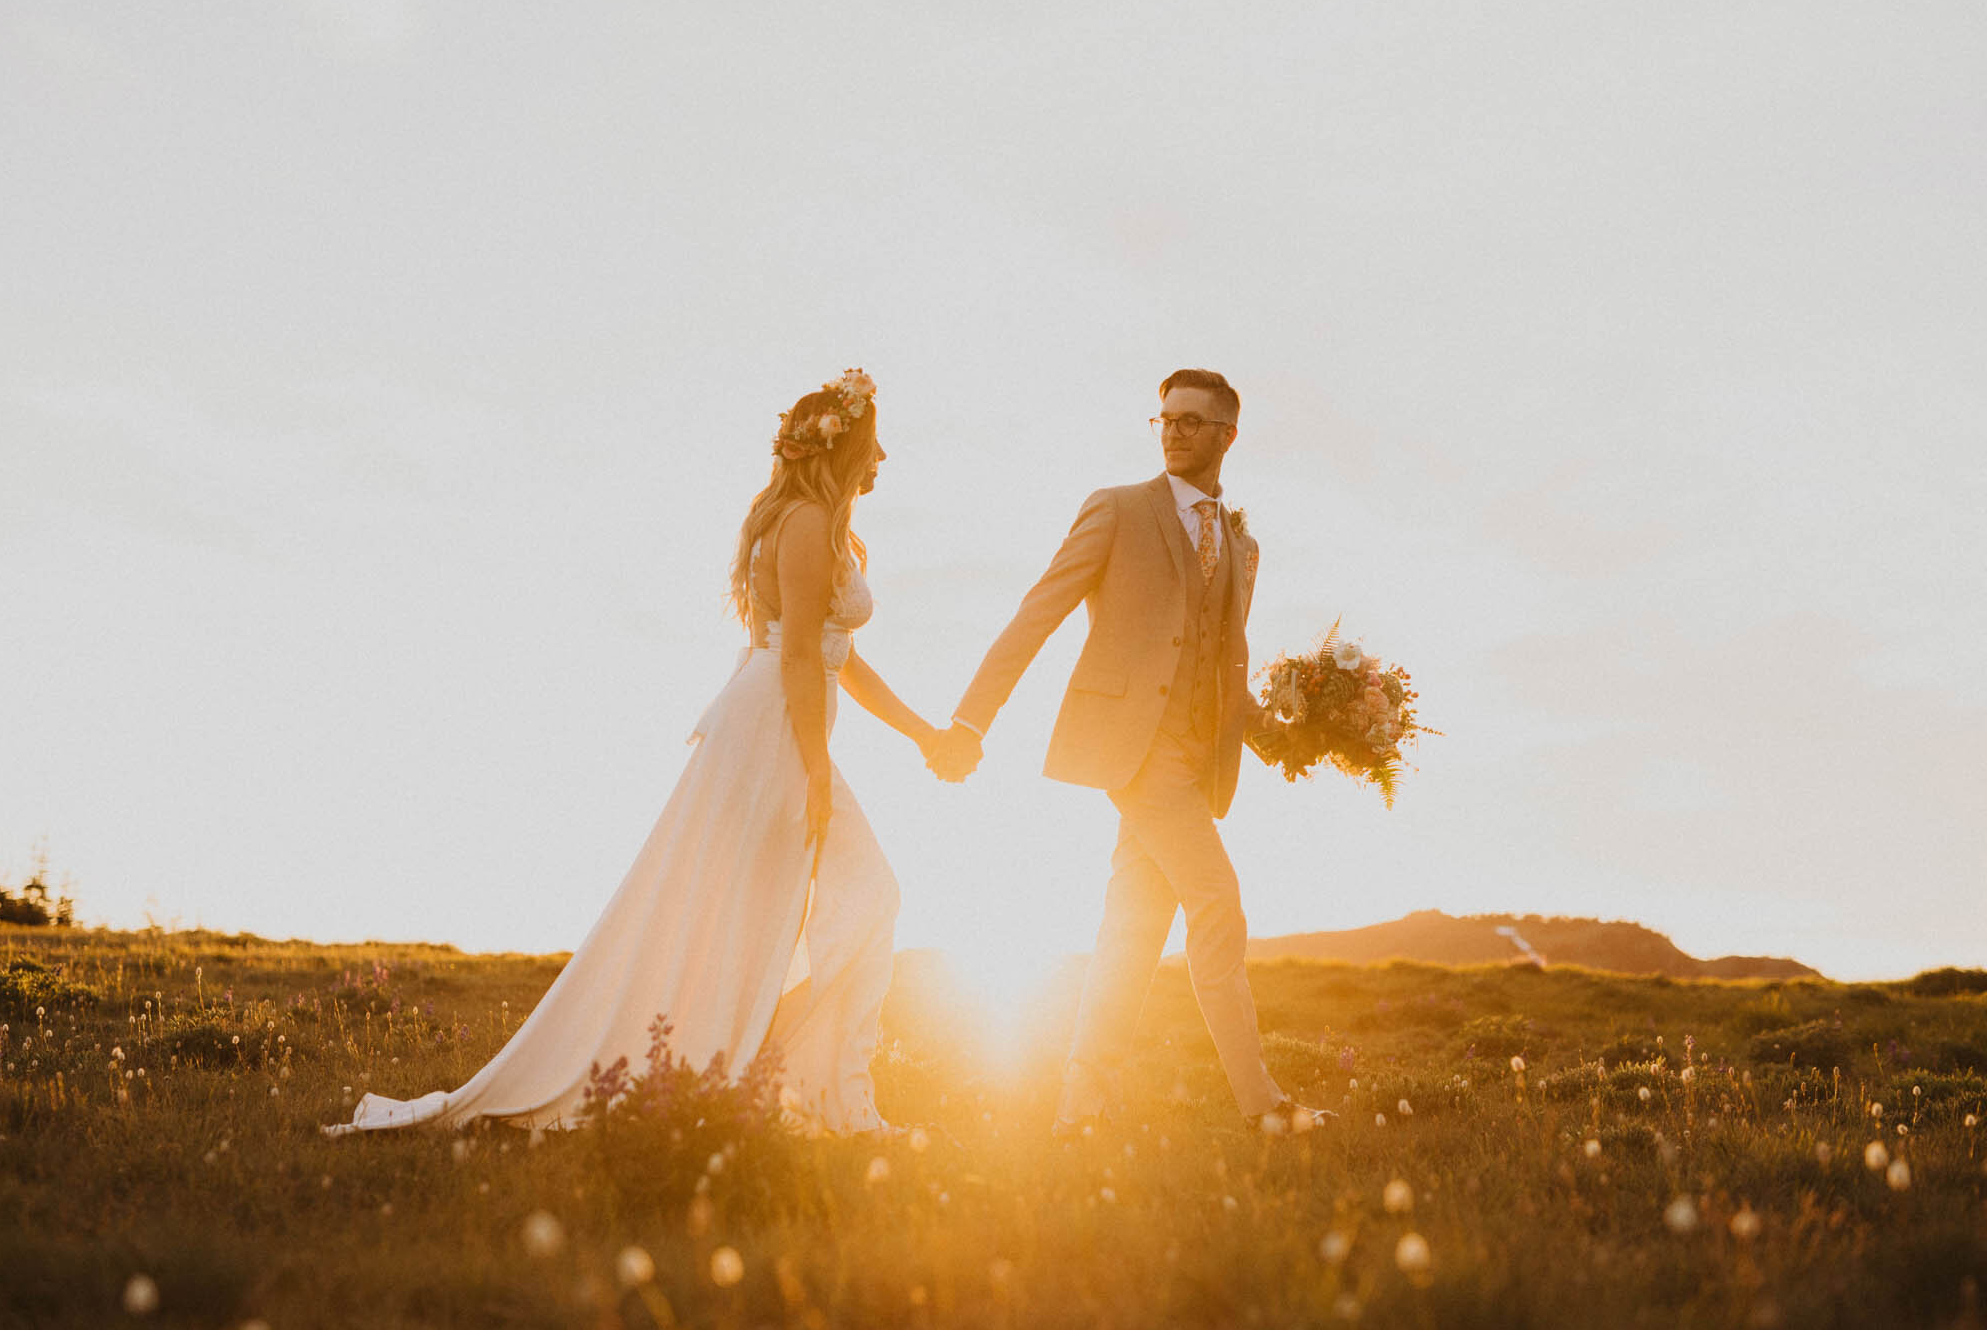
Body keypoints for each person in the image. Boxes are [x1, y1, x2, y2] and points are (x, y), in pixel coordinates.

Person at [327, 368, 935, 1139]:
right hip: (777, 726)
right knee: (859, 892)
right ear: (844, 444)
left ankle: (798, 1084)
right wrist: (815, 770)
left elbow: (826, 653)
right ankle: (814, 1093)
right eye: (875, 440)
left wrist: (922, 733)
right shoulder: (811, 523)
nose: (883, 455)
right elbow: (794, 663)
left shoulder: (817, 522)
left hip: (770, 720)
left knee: (795, 903)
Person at [926, 368, 1323, 1135]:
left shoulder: (1242, 545)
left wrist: (1293, 737)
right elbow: (1036, 614)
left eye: (1191, 421)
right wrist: (971, 721)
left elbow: (1222, 664)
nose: (1173, 430)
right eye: (1164, 418)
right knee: (1217, 901)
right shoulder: (1114, 510)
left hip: (1197, 760)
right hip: (1134, 755)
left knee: (1132, 929)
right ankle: (1262, 1105)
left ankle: (1082, 1109)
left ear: (1227, 436)